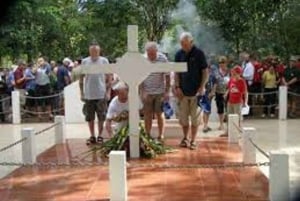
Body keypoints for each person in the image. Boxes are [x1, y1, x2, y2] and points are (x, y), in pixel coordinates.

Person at [174, 32, 208, 150]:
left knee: (195, 118)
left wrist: (202, 86)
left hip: (196, 93)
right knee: (183, 118)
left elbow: (205, 72)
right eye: (182, 44)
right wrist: (177, 87)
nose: (184, 46)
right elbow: (176, 73)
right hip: (182, 93)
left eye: (186, 44)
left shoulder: (199, 54)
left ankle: (193, 140)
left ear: (191, 42)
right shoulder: (178, 54)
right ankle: (185, 138)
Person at [79, 41, 111, 145]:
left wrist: (108, 92)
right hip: (89, 94)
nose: (94, 52)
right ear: (89, 51)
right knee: (90, 117)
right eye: (92, 51)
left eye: (96, 51)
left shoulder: (104, 61)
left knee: (101, 116)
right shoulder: (85, 62)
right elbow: (81, 79)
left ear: (99, 51)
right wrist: (82, 93)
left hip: (101, 93)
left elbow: (109, 77)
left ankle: (100, 135)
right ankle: (92, 135)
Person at [140, 41, 170, 141]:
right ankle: (147, 135)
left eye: (152, 53)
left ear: (156, 51)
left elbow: (167, 76)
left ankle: (161, 135)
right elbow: (140, 77)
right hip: (147, 91)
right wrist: (142, 92)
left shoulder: (163, 59)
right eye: (149, 53)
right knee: (147, 114)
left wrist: (166, 92)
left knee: (159, 113)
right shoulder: (143, 59)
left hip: (159, 91)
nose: (151, 56)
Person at [225, 66, 248, 132]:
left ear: (239, 73)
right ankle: (228, 131)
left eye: (235, 73)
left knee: (238, 117)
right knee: (229, 116)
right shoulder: (231, 80)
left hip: (238, 102)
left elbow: (245, 92)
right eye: (233, 73)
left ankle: (238, 130)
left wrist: (245, 102)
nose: (233, 74)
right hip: (230, 101)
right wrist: (226, 93)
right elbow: (229, 88)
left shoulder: (241, 81)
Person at [213, 56, 230, 130]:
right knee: (220, 108)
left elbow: (233, 82)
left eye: (223, 62)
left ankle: (229, 125)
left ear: (226, 63)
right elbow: (214, 82)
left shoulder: (230, 72)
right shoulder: (216, 71)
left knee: (228, 108)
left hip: (228, 92)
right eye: (220, 62)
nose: (221, 64)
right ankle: (221, 124)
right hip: (218, 92)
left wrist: (227, 92)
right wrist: (213, 91)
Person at [199, 66, 216, 133]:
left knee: (208, 110)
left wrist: (212, 92)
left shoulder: (212, 76)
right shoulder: (201, 76)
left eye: (209, 69)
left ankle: (206, 124)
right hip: (204, 94)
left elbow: (214, 84)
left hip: (210, 95)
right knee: (205, 110)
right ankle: (205, 125)